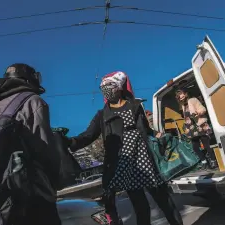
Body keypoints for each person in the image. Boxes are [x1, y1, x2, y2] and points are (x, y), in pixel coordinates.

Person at [68, 71, 183, 225]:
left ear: (119, 87)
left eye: (109, 85)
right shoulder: (102, 115)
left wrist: (157, 134)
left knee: (165, 202)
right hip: (126, 164)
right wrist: (68, 142)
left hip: (146, 160)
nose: (105, 89)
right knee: (141, 208)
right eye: (103, 87)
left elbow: (145, 130)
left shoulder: (135, 106)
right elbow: (88, 135)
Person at [0, 63, 62, 225]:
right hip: (30, 192)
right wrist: (55, 180)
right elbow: (44, 149)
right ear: (30, 79)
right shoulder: (33, 101)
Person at [175, 89, 218, 170]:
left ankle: (213, 161)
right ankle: (204, 161)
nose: (181, 97)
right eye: (179, 97)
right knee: (195, 147)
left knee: (206, 145)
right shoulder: (183, 106)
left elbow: (203, 109)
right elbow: (187, 118)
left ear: (186, 94)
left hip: (200, 125)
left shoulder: (193, 100)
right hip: (192, 128)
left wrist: (198, 113)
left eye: (182, 95)